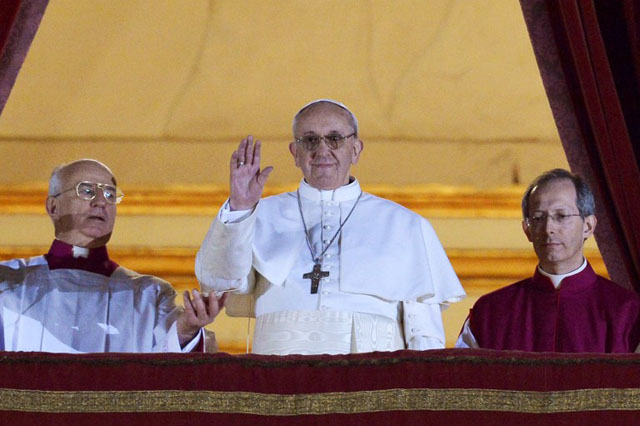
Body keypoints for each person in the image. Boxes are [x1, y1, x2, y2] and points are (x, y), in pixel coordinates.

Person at [195, 99, 465, 355]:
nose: (322, 150)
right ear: (295, 153)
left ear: (356, 149)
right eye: (310, 140)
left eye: (335, 138)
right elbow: (220, 283)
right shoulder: (256, 214)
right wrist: (240, 207)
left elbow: (424, 332)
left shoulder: (405, 225)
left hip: (372, 380)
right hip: (278, 377)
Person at [0, 159, 224, 352]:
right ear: (53, 206)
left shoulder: (147, 294)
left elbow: (167, 364)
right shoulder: (8, 283)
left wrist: (187, 329)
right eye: (86, 191)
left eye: (110, 194)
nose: (101, 201)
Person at [455, 168, 640, 352]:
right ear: (527, 230)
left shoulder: (628, 312)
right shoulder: (490, 312)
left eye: (561, 216)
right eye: (538, 218)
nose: (548, 228)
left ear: (588, 226)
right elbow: (461, 379)